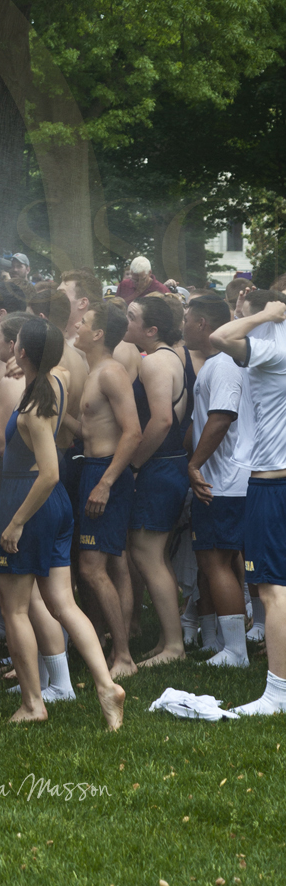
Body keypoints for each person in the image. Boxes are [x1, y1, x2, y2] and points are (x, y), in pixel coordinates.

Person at [0, 318, 125, 730]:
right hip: (57, 507)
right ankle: (106, 684)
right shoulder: (61, 379)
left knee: (14, 609)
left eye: (16, 343)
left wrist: (15, 523)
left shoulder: (33, 410)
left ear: (22, 353)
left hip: (28, 499)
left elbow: (49, 472)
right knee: (63, 603)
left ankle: (33, 703)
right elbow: (62, 358)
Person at [208, 296, 286, 714]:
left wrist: (267, 314)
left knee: (273, 590)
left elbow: (219, 336)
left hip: (272, 483)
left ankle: (278, 694)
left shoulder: (276, 347)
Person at [124, 293, 193, 666]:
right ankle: (170, 640)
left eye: (131, 316)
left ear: (151, 330)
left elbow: (163, 421)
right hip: (168, 464)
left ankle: (173, 647)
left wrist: (133, 463)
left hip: (159, 466)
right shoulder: (172, 356)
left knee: (147, 554)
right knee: (155, 555)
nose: (125, 320)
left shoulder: (154, 364)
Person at [73, 302, 142, 678]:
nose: (78, 326)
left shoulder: (111, 373)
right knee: (113, 563)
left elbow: (133, 432)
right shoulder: (92, 370)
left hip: (105, 473)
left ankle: (123, 656)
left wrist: (106, 482)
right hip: (93, 469)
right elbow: (88, 424)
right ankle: (115, 647)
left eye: (83, 321)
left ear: (98, 333)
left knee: (93, 566)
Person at [186, 294, 252, 668]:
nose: (182, 326)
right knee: (215, 559)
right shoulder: (219, 363)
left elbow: (222, 416)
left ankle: (236, 652)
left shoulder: (224, 364)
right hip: (225, 480)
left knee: (216, 563)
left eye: (187, 320)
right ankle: (224, 644)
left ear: (202, 324)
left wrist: (195, 464)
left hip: (223, 481)